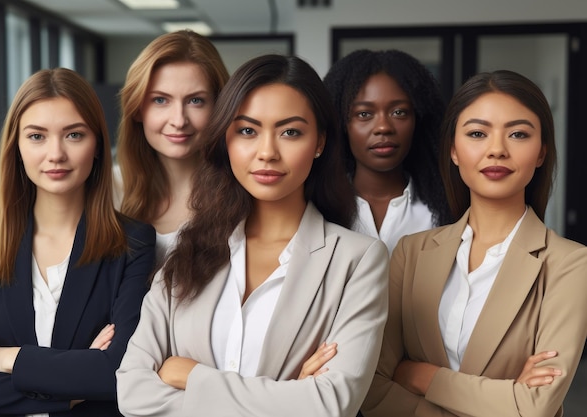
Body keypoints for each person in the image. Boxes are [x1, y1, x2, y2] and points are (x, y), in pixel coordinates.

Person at [116, 54, 389, 417]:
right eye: (247, 130)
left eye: (290, 132)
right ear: (225, 139)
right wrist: (287, 395)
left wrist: (193, 376)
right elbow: (133, 393)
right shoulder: (188, 247)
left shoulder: (358, 259)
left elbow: (328, 405)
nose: (267, 153)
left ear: (320, 142)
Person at [360, 70, 587, 417]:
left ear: (541, 152)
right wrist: (505, 397)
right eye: (478, 133)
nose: (497, 149)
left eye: (518, 134)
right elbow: (373, 388)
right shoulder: (411, 253)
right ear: (453, 150)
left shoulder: (570, 263)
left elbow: (536, 406)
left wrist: (424, 376)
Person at [0, 68, 155, 416]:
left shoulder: (133, 245)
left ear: (97, 145)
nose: (55, 154)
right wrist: (76, 384)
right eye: (37, 136)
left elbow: (118, 374)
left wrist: (8, 357)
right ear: (16, 147)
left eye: (74, 135)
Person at [115, 29, 229, 264]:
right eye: (160, 100)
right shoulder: (108, 190)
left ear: (219, 108)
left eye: (196, 101)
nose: (179, 120)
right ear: (137, 109)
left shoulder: (240, 195)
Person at [323, 49, 451, 254]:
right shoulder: (318, 208)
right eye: (364, 113)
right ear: (342, 124)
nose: (383, 127)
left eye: (399, 112)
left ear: (417, 120)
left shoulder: (447, 209)